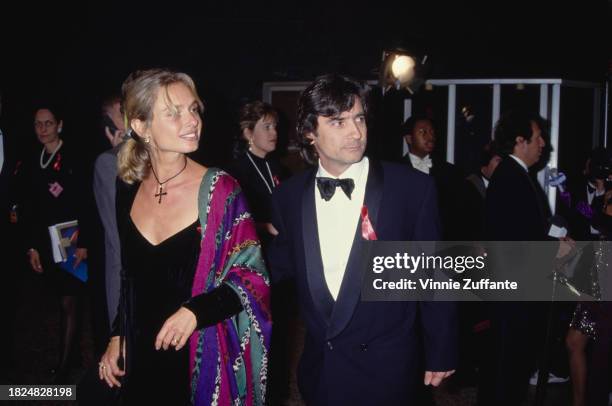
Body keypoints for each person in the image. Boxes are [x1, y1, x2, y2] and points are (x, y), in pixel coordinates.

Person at [268, 73, 457, 405]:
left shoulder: (412, 188)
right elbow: (278, 265)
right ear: (310, 132)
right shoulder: (289, 197)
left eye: (358, 118)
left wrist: (441, 349)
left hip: (388, 369)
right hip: (323, 370)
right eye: (338, 122)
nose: (355, 132)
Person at [96, 69, 271, 405]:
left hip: (199, 352)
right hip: (141, 351)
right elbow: (129, 274)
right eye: (173, 113)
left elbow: (254, 277)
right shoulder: (127, 185)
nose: (191, 120)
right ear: (141, 126)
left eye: (193, 109)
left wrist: (195, 311)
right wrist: (117, 335)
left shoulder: (221, 190)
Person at [481, 110, 573, 405]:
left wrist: (554, 240)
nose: (543, 143)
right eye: (538, 137)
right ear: (520, 141)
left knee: (510, 370)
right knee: (506, 371)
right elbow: (512, 241)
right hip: (512, 295)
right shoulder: (512, 177)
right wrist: (554, 248)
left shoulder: (517, 175)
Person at [20, 103, 92, 383]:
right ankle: (71, 355)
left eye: (48, 123)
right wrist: (32, 247)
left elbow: (88, 200)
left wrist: (85, 240)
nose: (43, 129)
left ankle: (65, 365)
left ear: (59, 125)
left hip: (72, 239)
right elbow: (30, 207)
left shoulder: (75, 157)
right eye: (38, 124)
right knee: (61, 301)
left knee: (69, 302)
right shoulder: (31, 160)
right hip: (47, 242)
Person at [400, 115, 466, 240]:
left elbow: (459, 215)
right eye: (423, 132)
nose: (430, 137)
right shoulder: (395, 172)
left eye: (431, 132)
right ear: (409, 138)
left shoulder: (451, 172)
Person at [228, 100, 285, 243]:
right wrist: (266, 227)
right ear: (249, 134)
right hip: (253, 246)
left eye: (274, 127)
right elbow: (232, 221)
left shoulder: (277, 167)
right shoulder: (236, 172)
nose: (274, 132)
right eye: (267, 127)